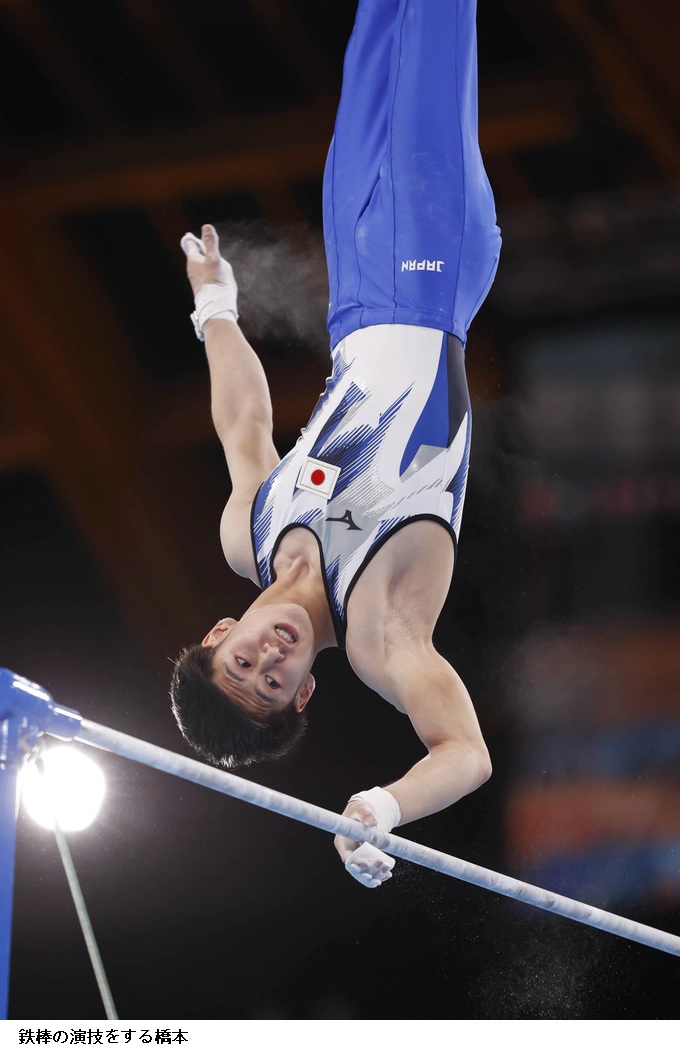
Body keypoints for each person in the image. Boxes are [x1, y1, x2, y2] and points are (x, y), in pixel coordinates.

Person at [171, 0, 502, 889]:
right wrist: (383, 806)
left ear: (221, 632)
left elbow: (243, 422)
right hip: (430, 267)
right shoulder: (380, 632)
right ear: (304, 692)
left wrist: (215, 306)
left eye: (243, 662)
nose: (270, 659)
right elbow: (465, 751)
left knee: (378, 22)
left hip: (357, 288)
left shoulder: (248, 534)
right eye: (274, 683)